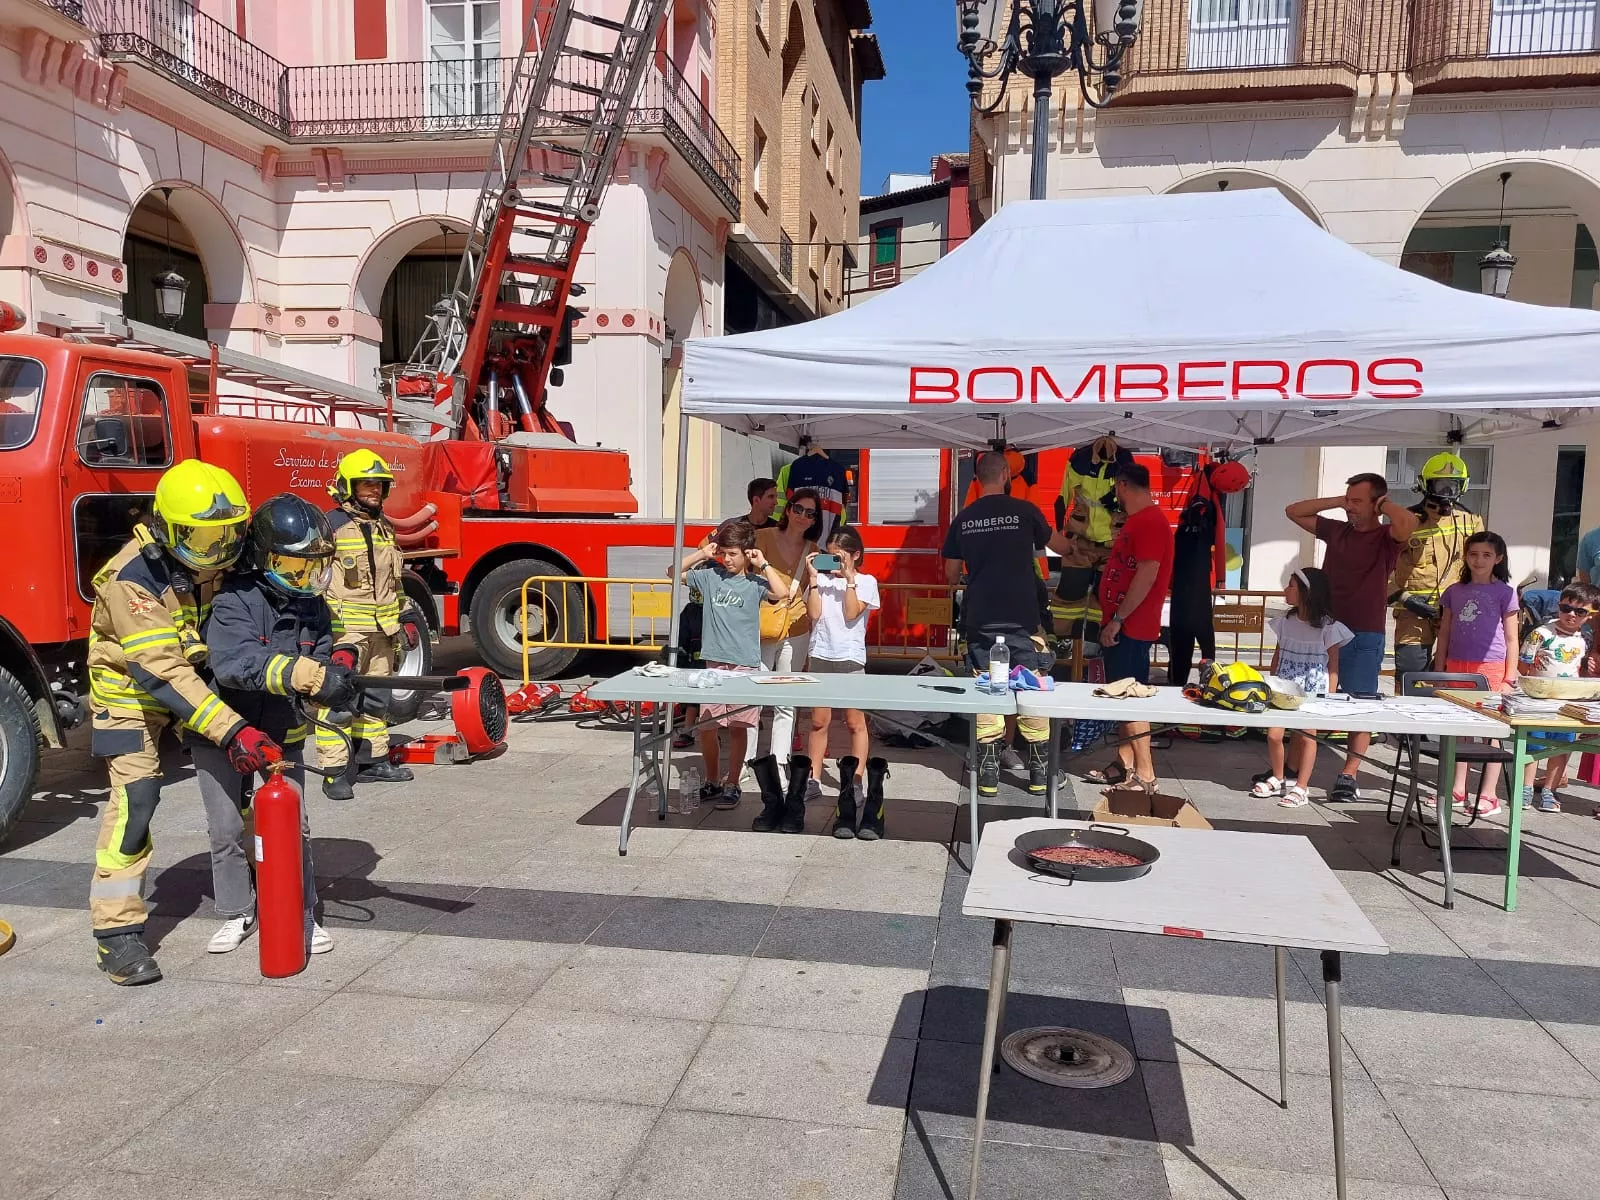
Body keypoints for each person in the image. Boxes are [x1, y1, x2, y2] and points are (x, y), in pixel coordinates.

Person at [84, 460, 281, 985]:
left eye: (228, 535)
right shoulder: (132, 579)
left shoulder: (210, 558)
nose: (218, 551)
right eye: (204, 538)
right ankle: (116, 933)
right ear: (168, 528)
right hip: (132, 694)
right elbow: (161, 672)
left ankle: (259, 877)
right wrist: (233, 728)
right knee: (136, 800)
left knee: (239, 782)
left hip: (192, 682)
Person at [196, 494, 354, 955]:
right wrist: (301, 673)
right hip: (224, 726)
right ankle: (237, 910)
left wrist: (336, 669)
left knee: (294, 825)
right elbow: (234, 664)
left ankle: (303, 910)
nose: (303, 577)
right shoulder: (234, 601)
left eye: (311, 567)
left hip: (282, 727)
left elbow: (322, 651)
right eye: (292, 566)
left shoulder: (312, 605)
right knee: (226, 827)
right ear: (264, 558)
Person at [943, 451, 1076, 798]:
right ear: (1005, 474)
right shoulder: (1025, 511)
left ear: (977, 478)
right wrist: (1081, 544)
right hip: (1023, 619)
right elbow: (1060, 546)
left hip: (980, 619)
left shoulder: (964, 518)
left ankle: (988, 774)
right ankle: (1040, 773)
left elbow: (951, 574)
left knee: (988, 688)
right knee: (1031, 687)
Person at [1286, 473, 1420, 802]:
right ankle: (1290, 769)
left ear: (1377, 503)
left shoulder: (1386, 536)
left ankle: (1349, 775)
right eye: (1349, 500)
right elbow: (1293, 511)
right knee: (1307, 699)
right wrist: (1339, 501)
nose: (1350, 507)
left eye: (1357, 501)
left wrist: (1383, 505)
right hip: (1324, 628)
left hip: (1364, 633)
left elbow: (1408, 523)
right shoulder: (1338, 530)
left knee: (1360, 705)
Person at [316, 450, 415, 800]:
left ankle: (372, 761)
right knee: (337, 703)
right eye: (366, 484)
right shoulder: (330, 526)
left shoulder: (384, 527)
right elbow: (315, 582)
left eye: (379, 484)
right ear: (348, 486)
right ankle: (334, 773)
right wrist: (328, 633)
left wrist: (405, 618)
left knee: (376, 700)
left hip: (383, 633)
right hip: (347, 634)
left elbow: (395, 582)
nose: (374, 490)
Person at [678, 521, 790, 818]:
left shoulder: (754, 583)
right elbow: (673, 572)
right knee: (707, 725)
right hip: (714, 662)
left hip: (743, 662)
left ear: (746, 553)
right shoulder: (710, 576)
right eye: (724, 553)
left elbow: (782, 593)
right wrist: (702, 553)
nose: (726, 559)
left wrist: (763, 564)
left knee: (739, 726)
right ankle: (712, 780)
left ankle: (733, 783)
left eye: (733, 554)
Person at [1087, 461, 1175, 793]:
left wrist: (1119, 619)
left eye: (1116, 487)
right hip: (1126, 623)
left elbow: (1147, 573)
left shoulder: (1149, 521)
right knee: (1123, 695)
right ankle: (1123, 764)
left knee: (1130, 698)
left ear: (1123, 485)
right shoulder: (1140, 521)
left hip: (1132, 625)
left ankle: (1145, 774)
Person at [1421, 530, 1519, 816]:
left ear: (1498, 559)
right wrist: (1439, 669)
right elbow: (1445, 632)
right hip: (1456, 666)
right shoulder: (1454, 591)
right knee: (1460, 729)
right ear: (1465, 556)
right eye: (1474, 554)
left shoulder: (1506, 593)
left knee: (1492, 731)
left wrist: (1509, 678)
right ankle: (1457, 789)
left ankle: (1488, 794)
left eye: (1486, 555)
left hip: (1491, 668)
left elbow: (1512, 639)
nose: (1479, 560)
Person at [802, 527, 888, 839]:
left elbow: (852, 613)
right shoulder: (821, 581)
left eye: (838, 556)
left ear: (855, 555)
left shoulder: (867, 582)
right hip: (820, 654)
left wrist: (849, 579)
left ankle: (857, 779)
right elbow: (813, 614)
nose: (833, 562)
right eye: (829, 555)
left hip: (850, 657)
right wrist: (813, 578)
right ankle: (813, 778)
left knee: (854, 722)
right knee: (818, 722)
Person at [1251, 567, 1350, 809]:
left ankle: (1301, 787)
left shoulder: (1328, 626)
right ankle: (1279, 777)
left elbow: (1333, 664)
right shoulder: (1285, 622)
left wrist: (1329, 694)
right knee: (1274, 734)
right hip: (1284, 688)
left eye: (1291, 586)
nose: (1286, 590)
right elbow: (1277, 655)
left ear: (1307, 592)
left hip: (1312, 689)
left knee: (1307, 737)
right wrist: (1272, 682)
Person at [1390, 452, 1483, 681]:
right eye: (1441, 485)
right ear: (1425, 485)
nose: (1447, 492)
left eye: (1453, 485)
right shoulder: (1406, 521)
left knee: (1452, 679)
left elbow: (1482, 569)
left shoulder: (1471, 522)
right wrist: (1404, 598)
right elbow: (1381, 569)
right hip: (1412, 617)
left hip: (1455, 615)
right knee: (1411, 677)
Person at [755, 488, 821, 781]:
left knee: (786, 701)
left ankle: (780, 763)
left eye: (810, 513)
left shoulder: (814, 549)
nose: (803, 516)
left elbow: (820, 587)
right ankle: (747, 762)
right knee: (753, 698)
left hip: (796, 628)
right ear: (788, 509)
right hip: (763, 625)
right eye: (798, 509)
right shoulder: (762, 537)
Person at [1518, 581, 1599, 813]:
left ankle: (1549, 790)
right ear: (1558, 606)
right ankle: (1525, 788)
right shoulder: (1541, 633)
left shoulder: (1585, 638)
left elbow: (1582, 668)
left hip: (1568, 704)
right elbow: (1523, 665)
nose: (1571, 615)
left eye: (1580, 611)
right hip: (1539, 701)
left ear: (1590, 615)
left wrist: (1590, 666)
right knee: (1533, 746)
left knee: (1561, 747)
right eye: (1566, 608)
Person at [784, 443, 849, 543]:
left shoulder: (838, 471)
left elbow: (789, 497)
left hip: (819, 538)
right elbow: (844, 502)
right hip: (821, 536)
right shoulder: (797, 466)